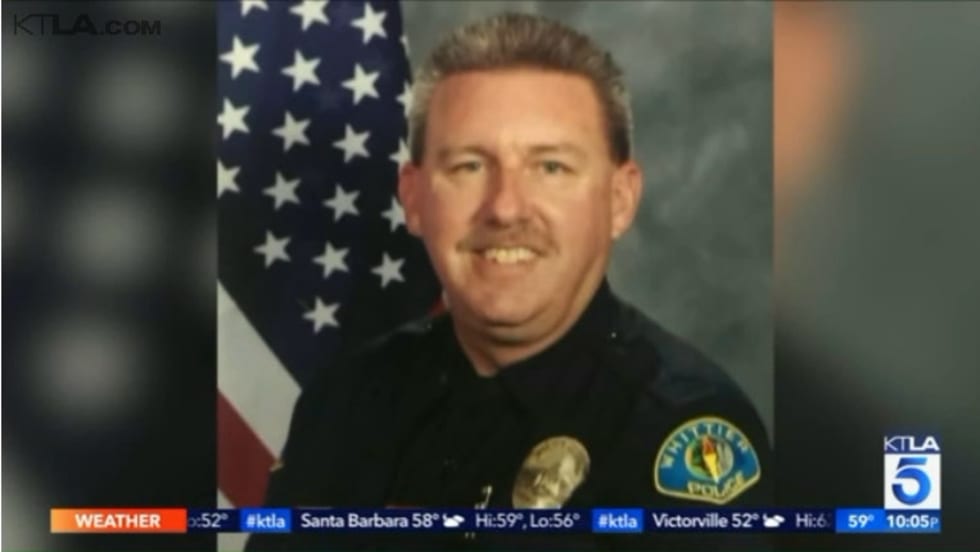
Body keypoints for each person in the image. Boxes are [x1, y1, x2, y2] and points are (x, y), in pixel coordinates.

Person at [248, 12, 771, 551]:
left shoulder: (682, 435)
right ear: (413, 198)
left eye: (551, 167)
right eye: (469, 166)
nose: (504, 208)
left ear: (619, 200)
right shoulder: (344, 402)